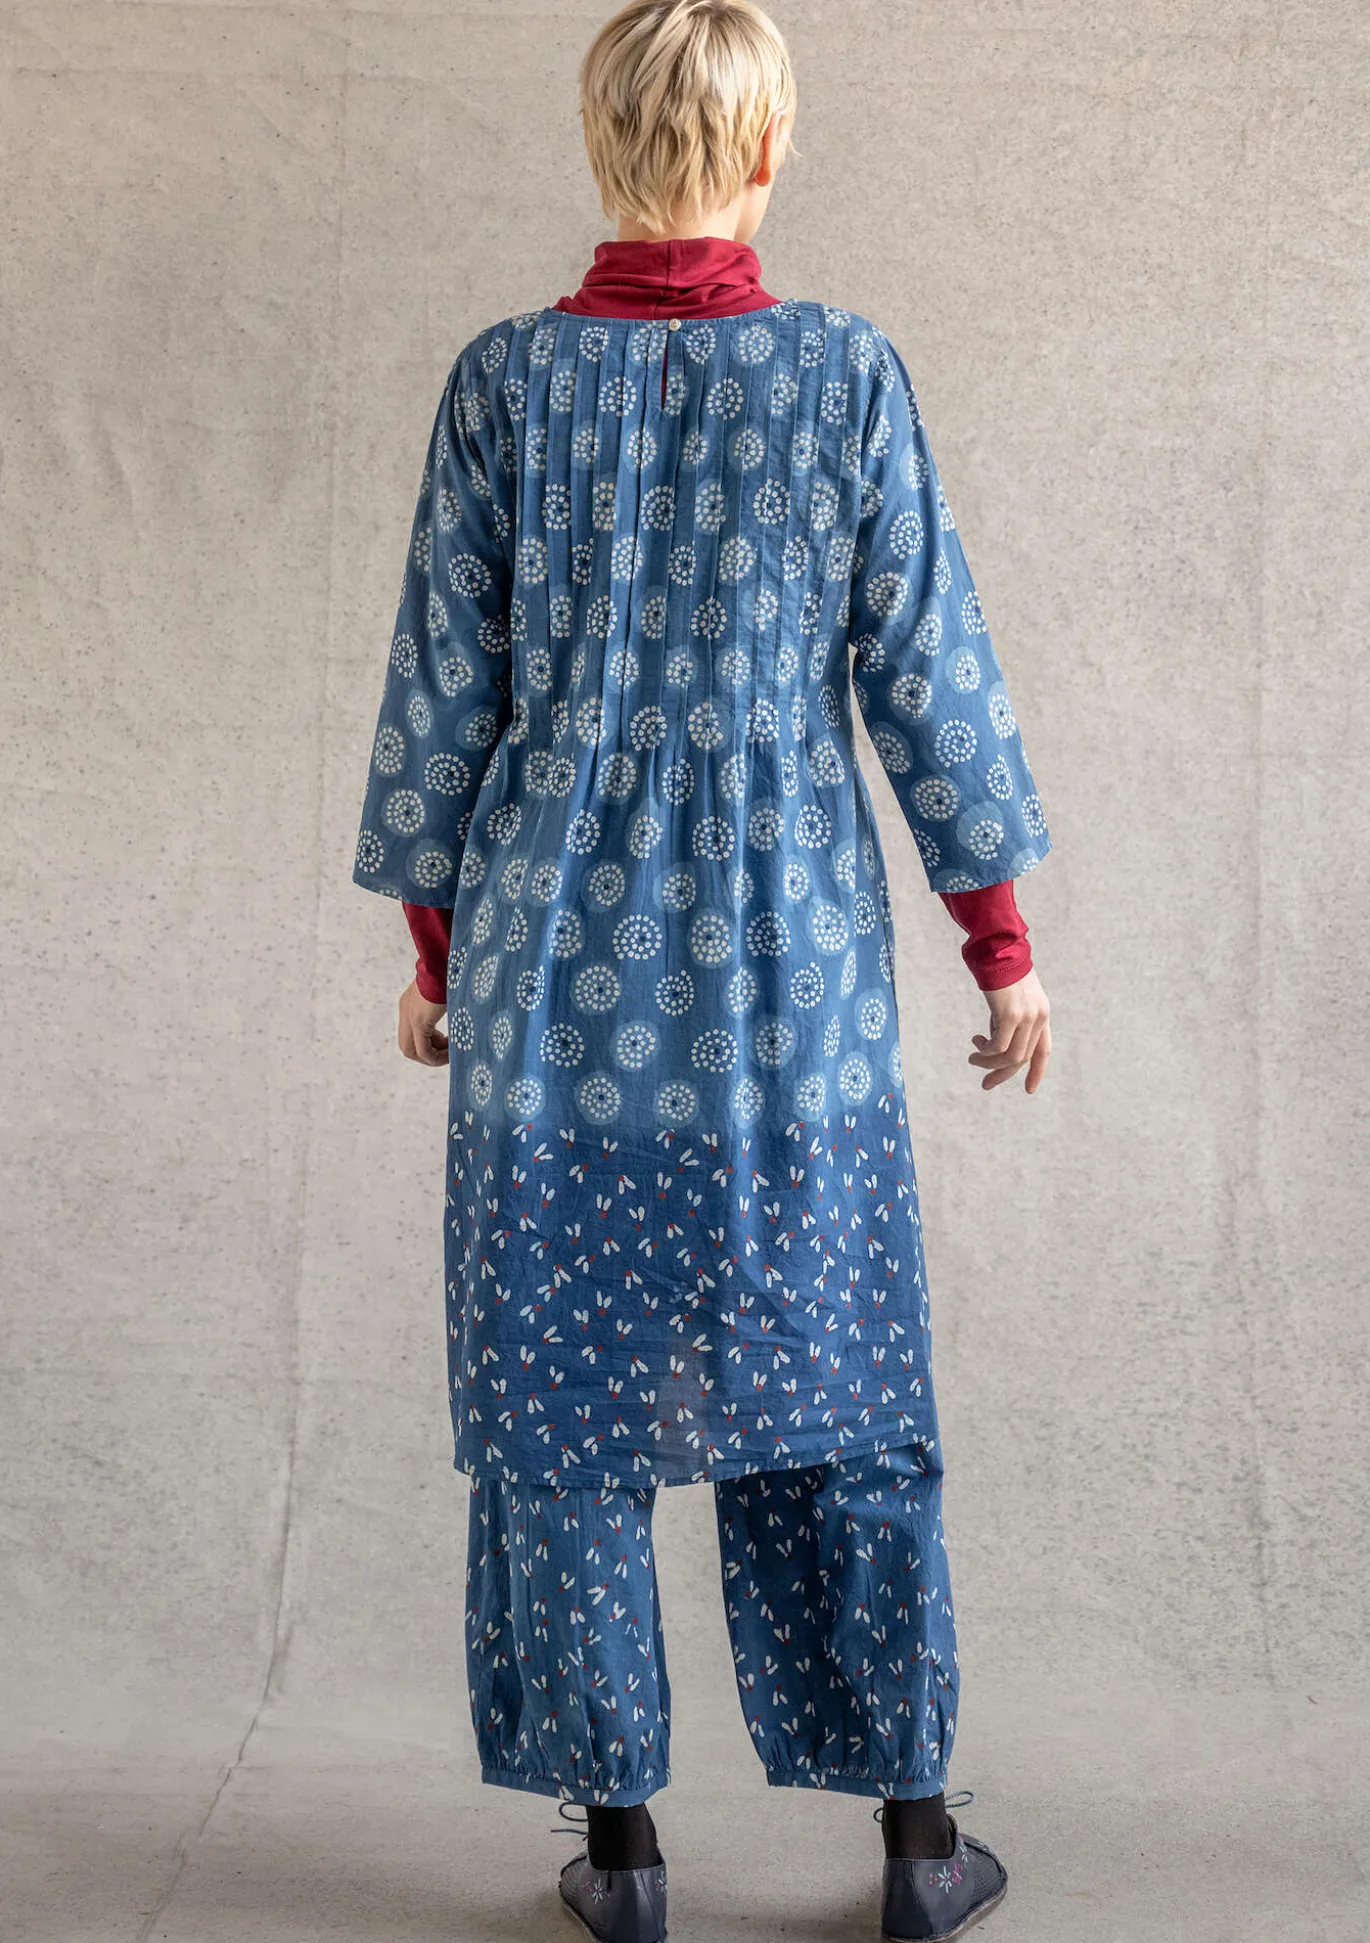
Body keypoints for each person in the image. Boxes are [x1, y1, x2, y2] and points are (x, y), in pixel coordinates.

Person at [351, 3, 1053, 1937]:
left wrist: (434, 951)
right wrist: (998, 944)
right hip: (788, 988)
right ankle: (917, 1847)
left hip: (548, 991)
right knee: (837, 1386)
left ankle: (626, 1860)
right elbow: (928, 669)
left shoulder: (505, 384)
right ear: (766, 150)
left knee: (557, 1414)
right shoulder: (842, 375)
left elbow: (442, 693)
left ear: (599, 142)